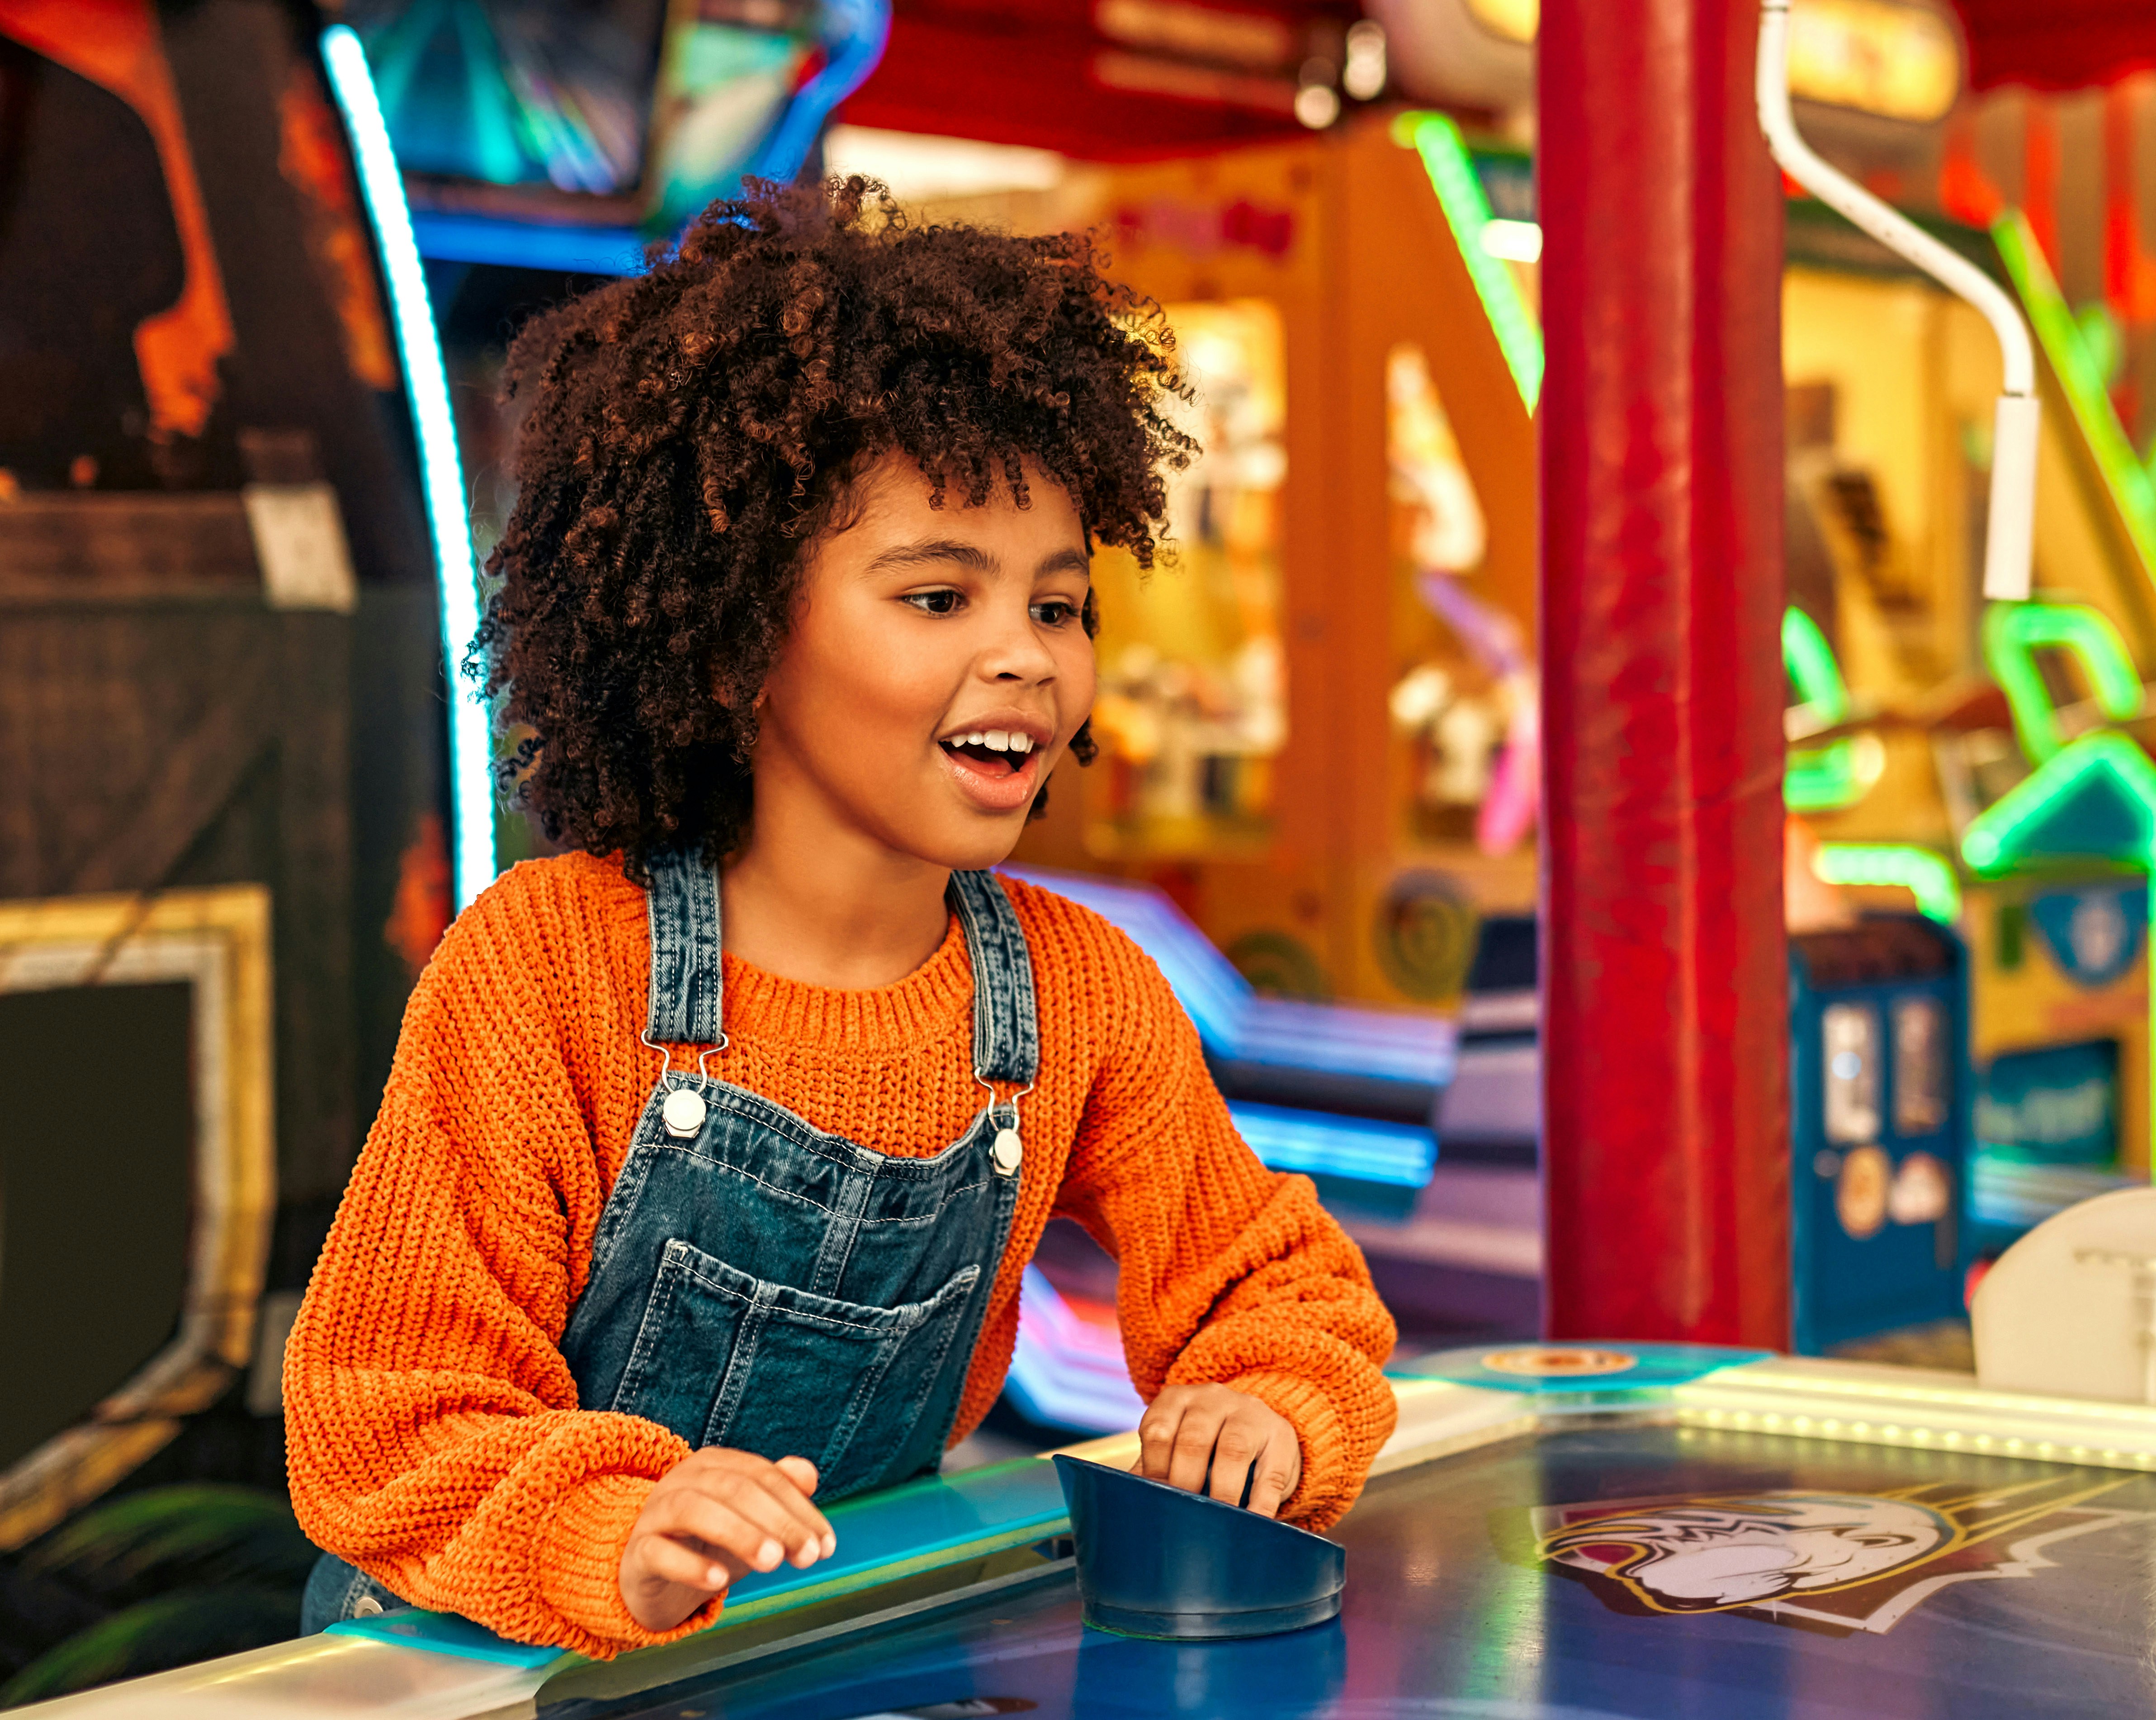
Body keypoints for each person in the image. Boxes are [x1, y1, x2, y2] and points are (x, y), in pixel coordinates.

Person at [283, 178, 1397, 1658]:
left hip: (807, 1655)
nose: (1024, 658)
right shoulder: (547, 964)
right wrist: (610, 1525)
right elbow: (383, 1413)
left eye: (1057, 607)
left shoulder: (1082, 997)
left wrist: (1270, 1398)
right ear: (738, 630)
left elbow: (1281, 1284)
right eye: (938, 598)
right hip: (476, 1671)